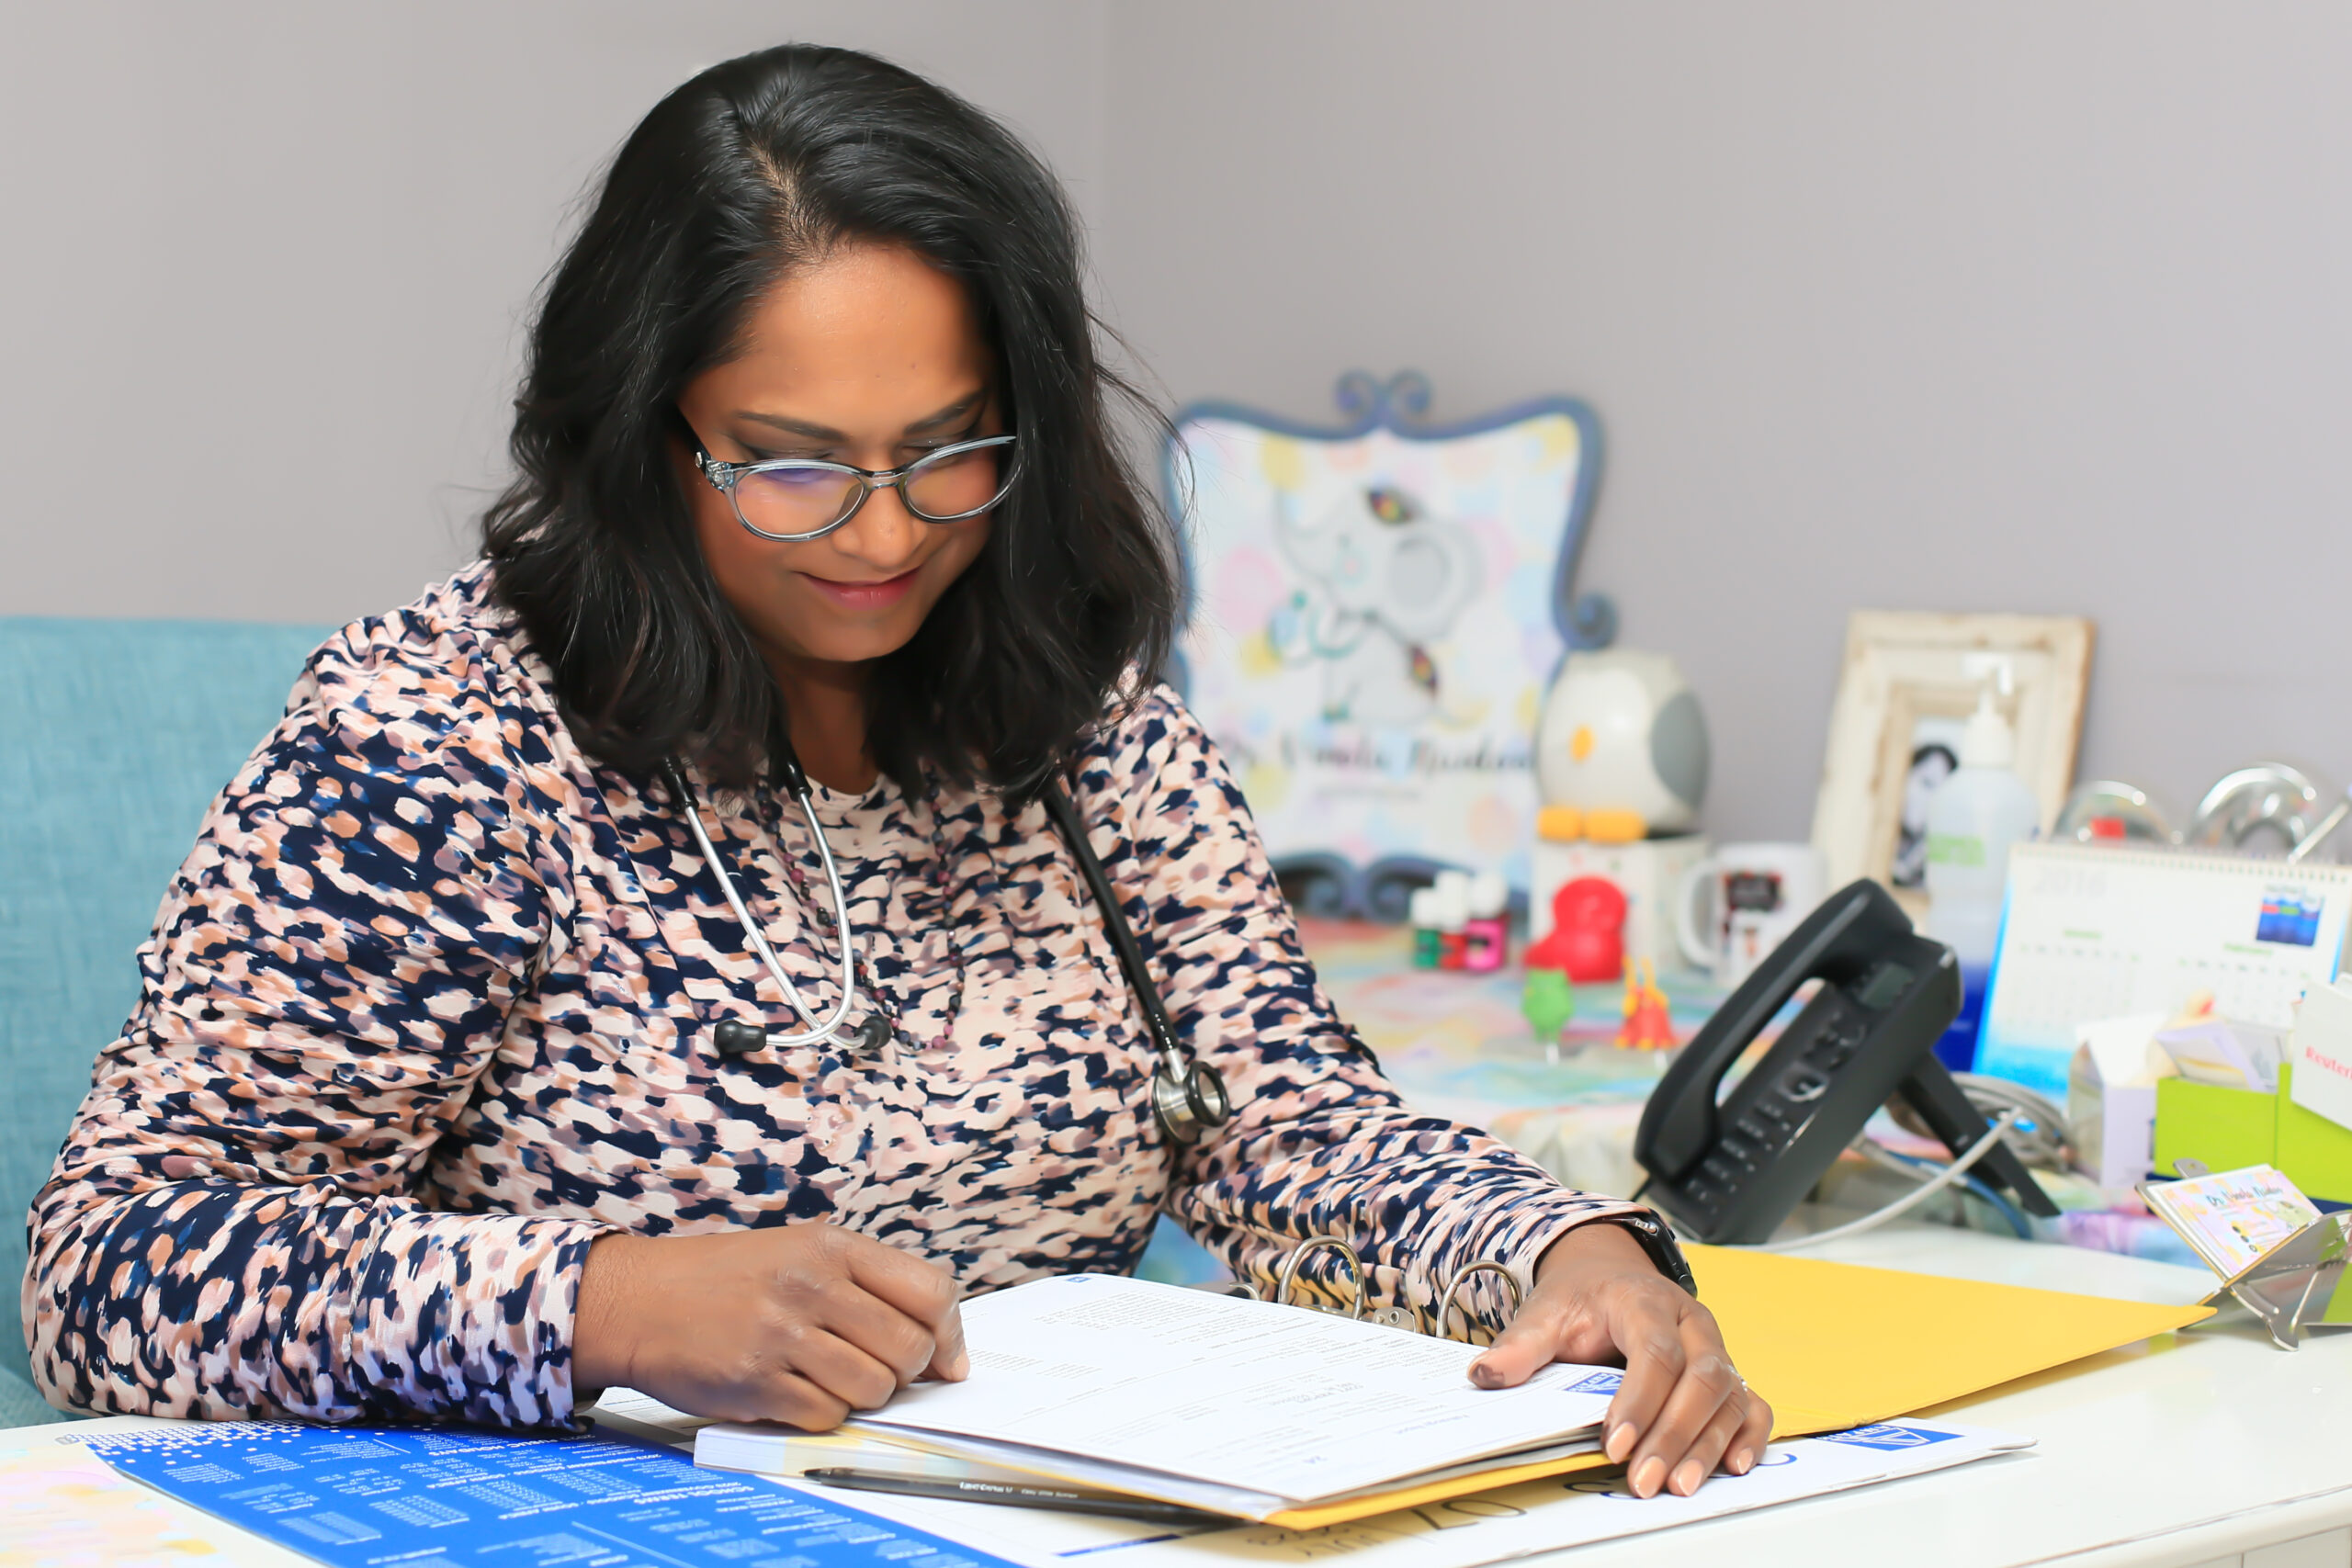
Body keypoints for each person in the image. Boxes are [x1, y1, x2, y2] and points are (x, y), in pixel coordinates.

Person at [24, 44, 1769, 1502]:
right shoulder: (439, 740)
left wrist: (1563, 1262)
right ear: (645, 436)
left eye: (949, 455)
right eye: (791, 468)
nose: (880, 537)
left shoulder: (1089, 738)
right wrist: (601, 1306)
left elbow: (1286, 1132)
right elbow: (108, 1269)